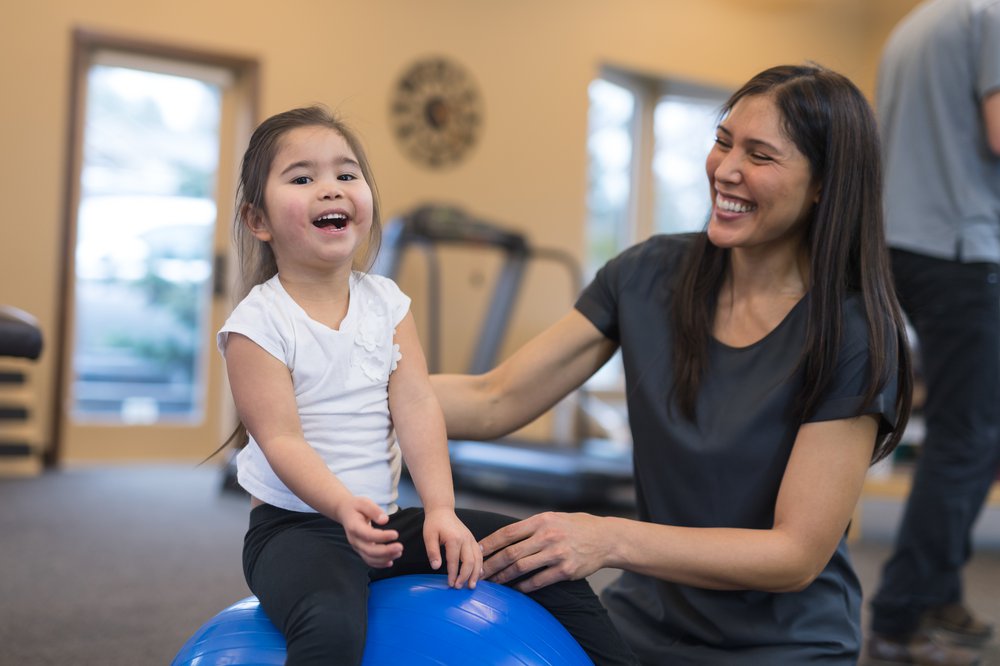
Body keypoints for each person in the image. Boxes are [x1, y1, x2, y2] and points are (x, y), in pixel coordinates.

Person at [431, 64, 913, 664]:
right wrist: (341, 388)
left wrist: (607, 537)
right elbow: (495, 396)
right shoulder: (648, 275)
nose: (726, 169)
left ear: (823, 184)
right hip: (645, 623)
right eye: (723, 141)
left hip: (783, 646)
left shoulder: (855, 334)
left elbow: (795, 555)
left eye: (760, 156)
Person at [216, 106, 637, 666]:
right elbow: (282, 440)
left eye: (346, 175)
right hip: (297, 530)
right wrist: (344, 508)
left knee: (532, 554)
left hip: (386, 524)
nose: (330, 189)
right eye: (302, 178)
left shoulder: (386, 302)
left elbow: (416, 405)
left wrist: (441, 509)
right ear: (258, 220)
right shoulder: (257, 324)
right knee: (332, 628)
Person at [866, 1, 1000, 663]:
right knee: (968, 436)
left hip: (899, 244)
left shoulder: (914, 24)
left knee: (967, 429)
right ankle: (901, 613)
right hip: (958, 247)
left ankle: (940, 590)